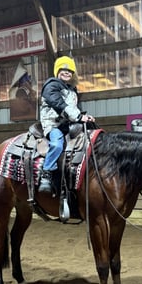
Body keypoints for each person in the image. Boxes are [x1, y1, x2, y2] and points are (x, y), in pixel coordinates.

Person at [39, 56, 95, 194]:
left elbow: (74, 109)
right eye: (63, 69)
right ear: (57, 71)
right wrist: (79, 117)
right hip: (54, 124)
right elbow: (59, 104)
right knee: (57, 144)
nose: (67, 72)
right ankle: (46, 172)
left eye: (70, 71)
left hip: (69, 124)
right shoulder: (51, 85)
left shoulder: (72, 89)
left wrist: (84, 117)